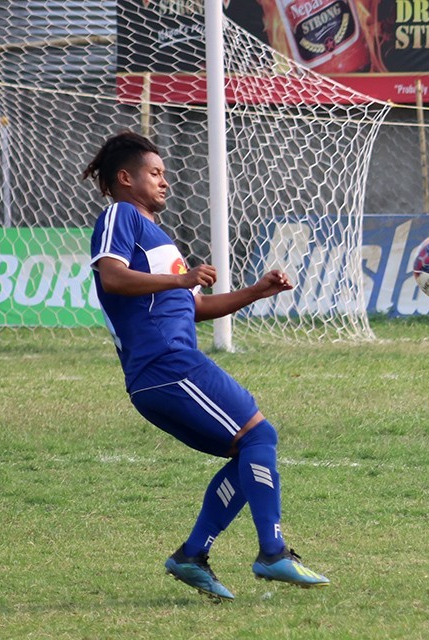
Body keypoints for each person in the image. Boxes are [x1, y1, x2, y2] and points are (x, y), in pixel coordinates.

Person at [84, 131, 329, 600]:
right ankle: (272, 553)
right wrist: (182, 277)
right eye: (154, 173)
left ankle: (192, 555)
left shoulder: (159, 239)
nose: (165, 182)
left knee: (250, 448)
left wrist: (256, 291)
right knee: (259, 436)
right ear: (124, 178)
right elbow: (112, 278)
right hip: (168, 364)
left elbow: (195, 307)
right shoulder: (120, 216)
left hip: (160, 373)